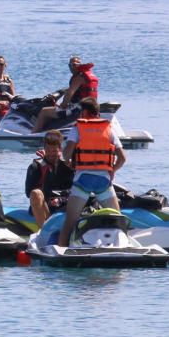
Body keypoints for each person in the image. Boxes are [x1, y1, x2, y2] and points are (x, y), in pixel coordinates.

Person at [57, 98, 126, 246]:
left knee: (70, 222)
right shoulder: (109, 129)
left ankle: (61, 249)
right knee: (117, 218)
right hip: (103, 182)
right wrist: (112, 170)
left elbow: (66, 155)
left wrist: (69, 161)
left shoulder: (77, 129)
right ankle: (122, 247)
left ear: (85, 112)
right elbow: (122, 158)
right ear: (98, 113)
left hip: (83, 181)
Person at [33, 55, 99, 132]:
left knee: (44, 111)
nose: (72, 67)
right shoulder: (89, 75)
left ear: (80, 65)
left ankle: (34, 135)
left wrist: (63, 105)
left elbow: (69, 93)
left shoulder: (79, 77)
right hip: (88, 107)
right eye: (70, 65)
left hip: (77, 109)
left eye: (74, 65)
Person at [24, 130, 74, 227]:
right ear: (44, 149)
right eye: (48, 151)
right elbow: (28, 193)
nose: (51, 154)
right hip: (44, 206)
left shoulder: (69, 166)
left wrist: (60, 199)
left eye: (54, 151)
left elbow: (76, 189)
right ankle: (43, 232)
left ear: (60, 149)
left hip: (64, 205)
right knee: (35, 193)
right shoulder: (36, 167)